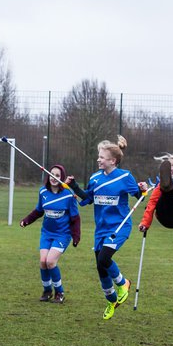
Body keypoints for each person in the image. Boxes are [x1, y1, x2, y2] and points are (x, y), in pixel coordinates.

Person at [67, 136, 148, 319]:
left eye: (102, 157)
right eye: (98, 156)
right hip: (101, 229)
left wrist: (143, 188)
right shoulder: (95, 178)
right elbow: (87, 198)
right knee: (100, 266)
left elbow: (139, 196)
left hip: (119, 226)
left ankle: (123, 283)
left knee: (104, 259)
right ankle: (111, 300)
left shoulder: (125, 176)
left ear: (113, 160)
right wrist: (73, 186)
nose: (98, 159)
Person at [19, 164, 81, 303]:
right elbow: (39, 211)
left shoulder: (69, 195)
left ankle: (60, 292)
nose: (54, 177)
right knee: (42, 261)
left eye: (57, 175)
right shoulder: (42, 192)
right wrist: (26, 221)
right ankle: (47, 291)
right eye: (52, 174)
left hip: (63, 234)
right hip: (47, 233)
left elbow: (75, 218)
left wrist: (76, 236)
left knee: (50, 262)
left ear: (62, 178)